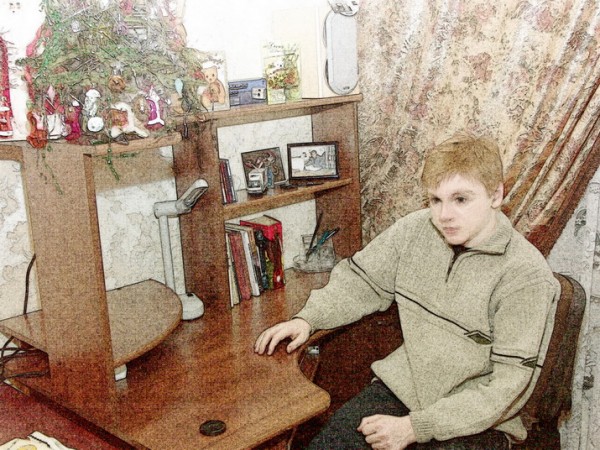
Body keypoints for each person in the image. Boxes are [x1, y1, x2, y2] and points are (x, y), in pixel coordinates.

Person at [254, 136, 559, 450]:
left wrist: (416, 427)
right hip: (403, 390)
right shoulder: (414, 230)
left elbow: (506, 388)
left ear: (496, 195)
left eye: (461, 199)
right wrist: (309, 319)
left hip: (477, 419)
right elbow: (361, 281)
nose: (444, 215)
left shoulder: (526, 276)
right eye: (435, 200)